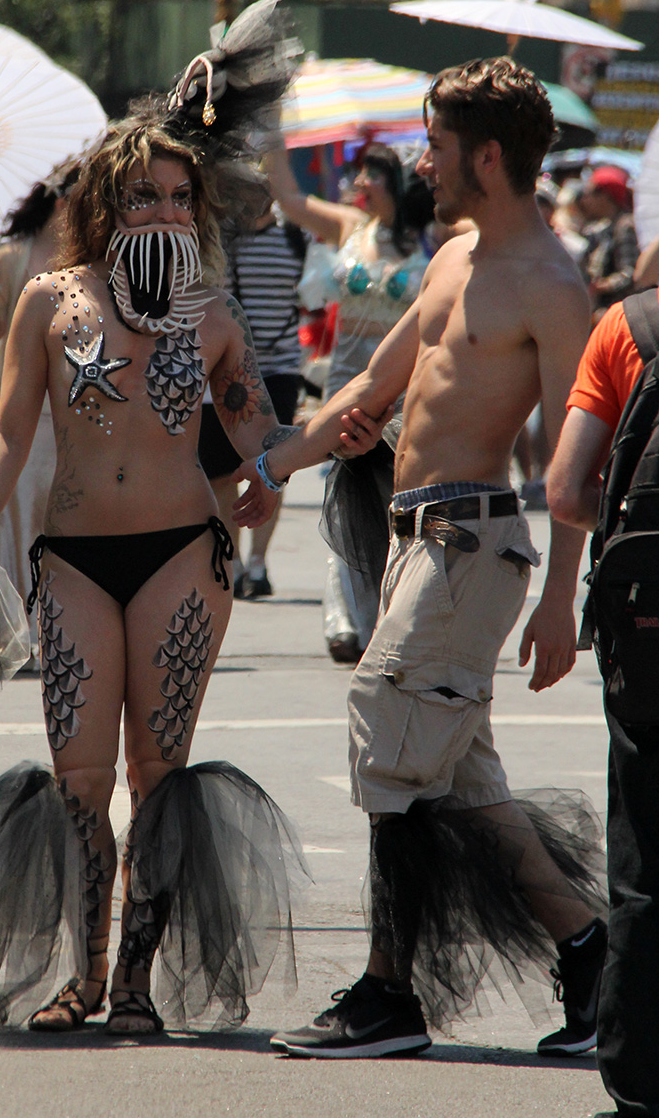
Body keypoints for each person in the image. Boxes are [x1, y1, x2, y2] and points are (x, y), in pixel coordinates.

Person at [0, 0, 349, 1034]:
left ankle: (133, 984)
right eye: (142, 197)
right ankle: (81, 976)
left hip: (183, 558)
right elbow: (5, 437)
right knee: (78, 775)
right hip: (73, 560)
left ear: (196, 207)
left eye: (178, 197)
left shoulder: (213, 316)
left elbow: (255, 438)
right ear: (107, 204)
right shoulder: (50, 300)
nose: (163, 212)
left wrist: (302, 451)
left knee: (156, 774)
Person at [237, 57, 607, 1060]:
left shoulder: (551, 285)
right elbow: (370, 389)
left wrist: (562, 601)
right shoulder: (452, 256)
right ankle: (593, 958)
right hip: (412, 542)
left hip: (469, 546)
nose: (420, 163)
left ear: (486, 157)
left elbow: (575, 459)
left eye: (435, 145)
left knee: (388, 734)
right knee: (463, 787)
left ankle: (389, 994)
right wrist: (270, 466)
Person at [548, 289, 659, 1118]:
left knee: (645, 864)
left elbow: (564, 489)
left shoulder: (630, 326)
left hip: (649, 628)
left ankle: (639, 1086)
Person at [265, 141, 431, 663]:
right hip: (345, 382)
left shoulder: (433, 238)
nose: (359, 184)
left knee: (395, 501)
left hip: (403, 389)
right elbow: (290, 199)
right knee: (343, 491)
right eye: (358, 174)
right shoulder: (348, 226)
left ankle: (390, 615)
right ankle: (344, 621)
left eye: (370, 175)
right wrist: (272, 137)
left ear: (397, 183)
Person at [0, 162, 78, 655]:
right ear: (58, 199)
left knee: (63, 521)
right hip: (22, 410)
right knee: (17, 520)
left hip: (73, 414)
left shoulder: (96, 256)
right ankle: (19, 628)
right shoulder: (10, 257)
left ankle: (64, 624)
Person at [197, 184, 307, 599]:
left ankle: (258, 563)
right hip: (226, 370)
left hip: (279, 368)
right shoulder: (221, 238)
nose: (252, 195)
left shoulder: (294, 238)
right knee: (221, 473)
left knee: (275, 465)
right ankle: (235, 561)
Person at [581, 166, 639, 322]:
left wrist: (602, 286)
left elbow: (631, 274)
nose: (585, 200)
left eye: (590, 193)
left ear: (606, 196)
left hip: (619, 314)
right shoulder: (607, 226)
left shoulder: (625, 227)